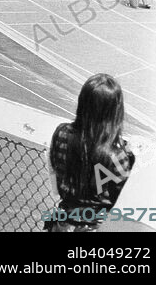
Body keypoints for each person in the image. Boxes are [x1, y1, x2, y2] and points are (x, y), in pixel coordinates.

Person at [45, 74, 135, 232]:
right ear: (115, 111)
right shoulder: (118, 156)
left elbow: (55, 180)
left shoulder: (61, 133)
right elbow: (120, 200)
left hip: (62, 222)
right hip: (94, 226)